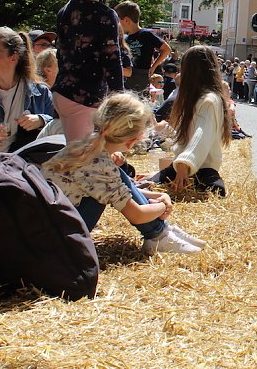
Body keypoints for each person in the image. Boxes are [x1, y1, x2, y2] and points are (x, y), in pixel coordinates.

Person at [41, 93, 204, 255]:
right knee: (114, 174)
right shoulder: (100, 164)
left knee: (116, 173)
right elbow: (137, 215)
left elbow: (120, 188)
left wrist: (154, 195)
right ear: (132, 140)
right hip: (58, 241)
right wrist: (164, 205)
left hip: (46, 229)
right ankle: (158, 235)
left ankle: (162, 232)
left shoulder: (87, 144)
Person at [52, 0, 125, 141]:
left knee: (78, 150)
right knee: (79, 157)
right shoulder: (106, 15)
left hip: (62, 92)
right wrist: (119, 100)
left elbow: (62, 52)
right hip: (85, 98)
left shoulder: (64, 11)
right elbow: (112, 61)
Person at [151, 45, 232, 196]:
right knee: (144, 187)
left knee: (214, 191)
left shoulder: (209, 100)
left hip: (203, 170)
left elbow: (201, 134)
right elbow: (185, 136)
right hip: (180, 166)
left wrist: (185, 162)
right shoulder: (193, 98)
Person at [0, 28, 54, 153]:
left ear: (13, 58)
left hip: (22, 167)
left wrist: (41, 120)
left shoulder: (40, 92)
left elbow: (59, 125)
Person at [114, 1, 171, 93]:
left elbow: (166, 49)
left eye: (117, 21)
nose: (116, 24)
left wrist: (153, 67)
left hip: (140, 76)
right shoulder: (125, 38)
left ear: (126, 20)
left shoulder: (146, 34)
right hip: (128, 75)